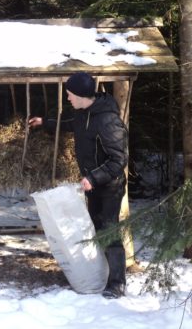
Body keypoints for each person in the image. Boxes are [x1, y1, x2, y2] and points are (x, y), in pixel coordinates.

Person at [29, 72, 128, 298]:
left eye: (70, 94)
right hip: (93, 185)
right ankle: (98, 273)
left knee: (109, 230)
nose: (68, 97)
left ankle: (117, 283)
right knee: (94, 228)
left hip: (109, 186)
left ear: (83, 95)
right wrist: (45, 122)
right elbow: (71, 124)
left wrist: (93, 178)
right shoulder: (83, 113)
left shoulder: (107, 120)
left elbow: (119, 159)